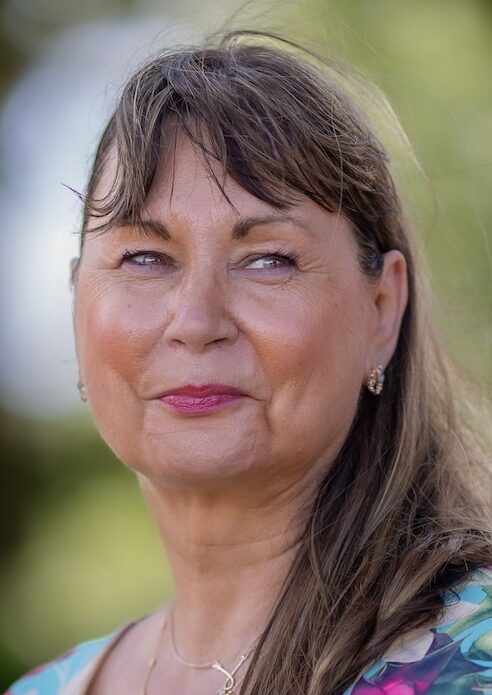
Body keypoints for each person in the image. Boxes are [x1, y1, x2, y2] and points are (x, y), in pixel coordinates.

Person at [5, 28, 492, 695]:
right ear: (76, 300)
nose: (196, 321)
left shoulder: (470, 664)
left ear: (382, 309)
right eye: (144, 258)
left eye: (268, 260)